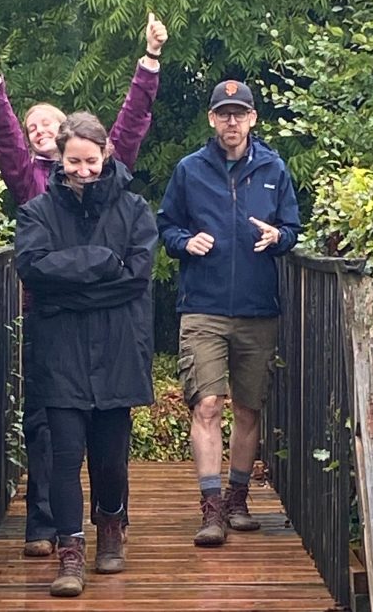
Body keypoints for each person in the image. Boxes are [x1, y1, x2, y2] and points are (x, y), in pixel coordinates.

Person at [0, 14, 167, 556]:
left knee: (107, 445)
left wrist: (149, 60)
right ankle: (52, 532)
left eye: (46, 123)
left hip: (106, 331)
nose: (37, 130)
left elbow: (130, 123)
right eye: (32, 125)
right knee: (50, 436)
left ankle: (108, 525)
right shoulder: (31, 187)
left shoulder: (115, 186)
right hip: (54, 329)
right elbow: (4, 137)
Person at [14, 111, 157, 597]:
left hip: (118, 348)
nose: (83, 170)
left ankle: (111, 526)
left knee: (111, 457)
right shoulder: (37, 212)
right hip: (60, 351)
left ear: (106, 153)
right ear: (60, 157)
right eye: (73, 161)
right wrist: (100, 261)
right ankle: (70, 551)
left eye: (91, 161)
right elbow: (33, 269)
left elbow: (137, 277)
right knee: (64, 454)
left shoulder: (135, 209)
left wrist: (69, 289)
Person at [157, 79, 300, 547]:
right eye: (224, 113)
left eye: (240, 113)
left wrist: (278, 237)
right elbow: (166, 227)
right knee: (207, 404)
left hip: (258, 308)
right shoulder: (189, 170)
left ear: (253, 118)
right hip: (203, 306)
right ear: (212, 119)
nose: (232, 121)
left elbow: (293, 229)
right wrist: (186, 242)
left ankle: (238, 497)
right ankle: (211, 506)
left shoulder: (274, 168)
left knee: (247, 407)